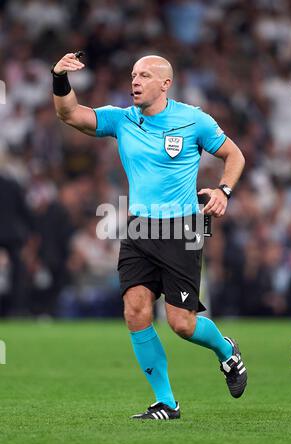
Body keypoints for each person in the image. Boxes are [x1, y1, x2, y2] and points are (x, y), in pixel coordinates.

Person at [52, 52, 247, 420]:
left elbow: (234, 155)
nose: (135, 81)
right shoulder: (122, 119)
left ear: (165, 84)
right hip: (139, 228)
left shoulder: (193, 120)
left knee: (181, 324)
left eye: (143, 75)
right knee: (136, 311)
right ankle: (166, 402)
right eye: (132, 75)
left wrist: (223, 190)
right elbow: (69, 114)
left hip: (182, 228)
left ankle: (225, 350)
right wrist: (59, 78)